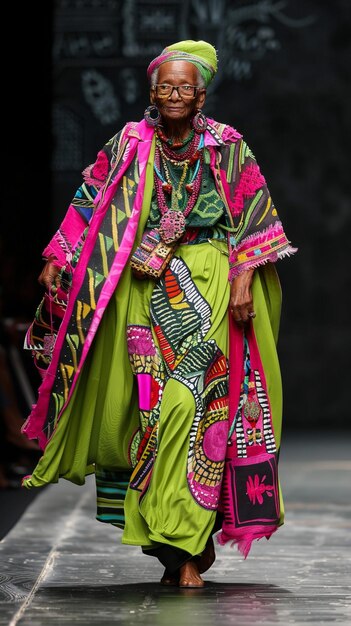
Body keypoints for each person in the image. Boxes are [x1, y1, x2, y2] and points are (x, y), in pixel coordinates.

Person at [22, 40, 296, 588]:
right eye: (164, 86)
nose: (173, 95)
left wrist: (243, 275)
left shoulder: (226, 146)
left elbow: (256, 214)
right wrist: (59, 253)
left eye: (184, 87)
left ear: (201, 94)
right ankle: (171, 543)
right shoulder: (129, 142)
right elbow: (90, 197)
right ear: (153, 91)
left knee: (195, 404)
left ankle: (188, 545)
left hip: (210, 280)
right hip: (143, 286)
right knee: (146, 414)